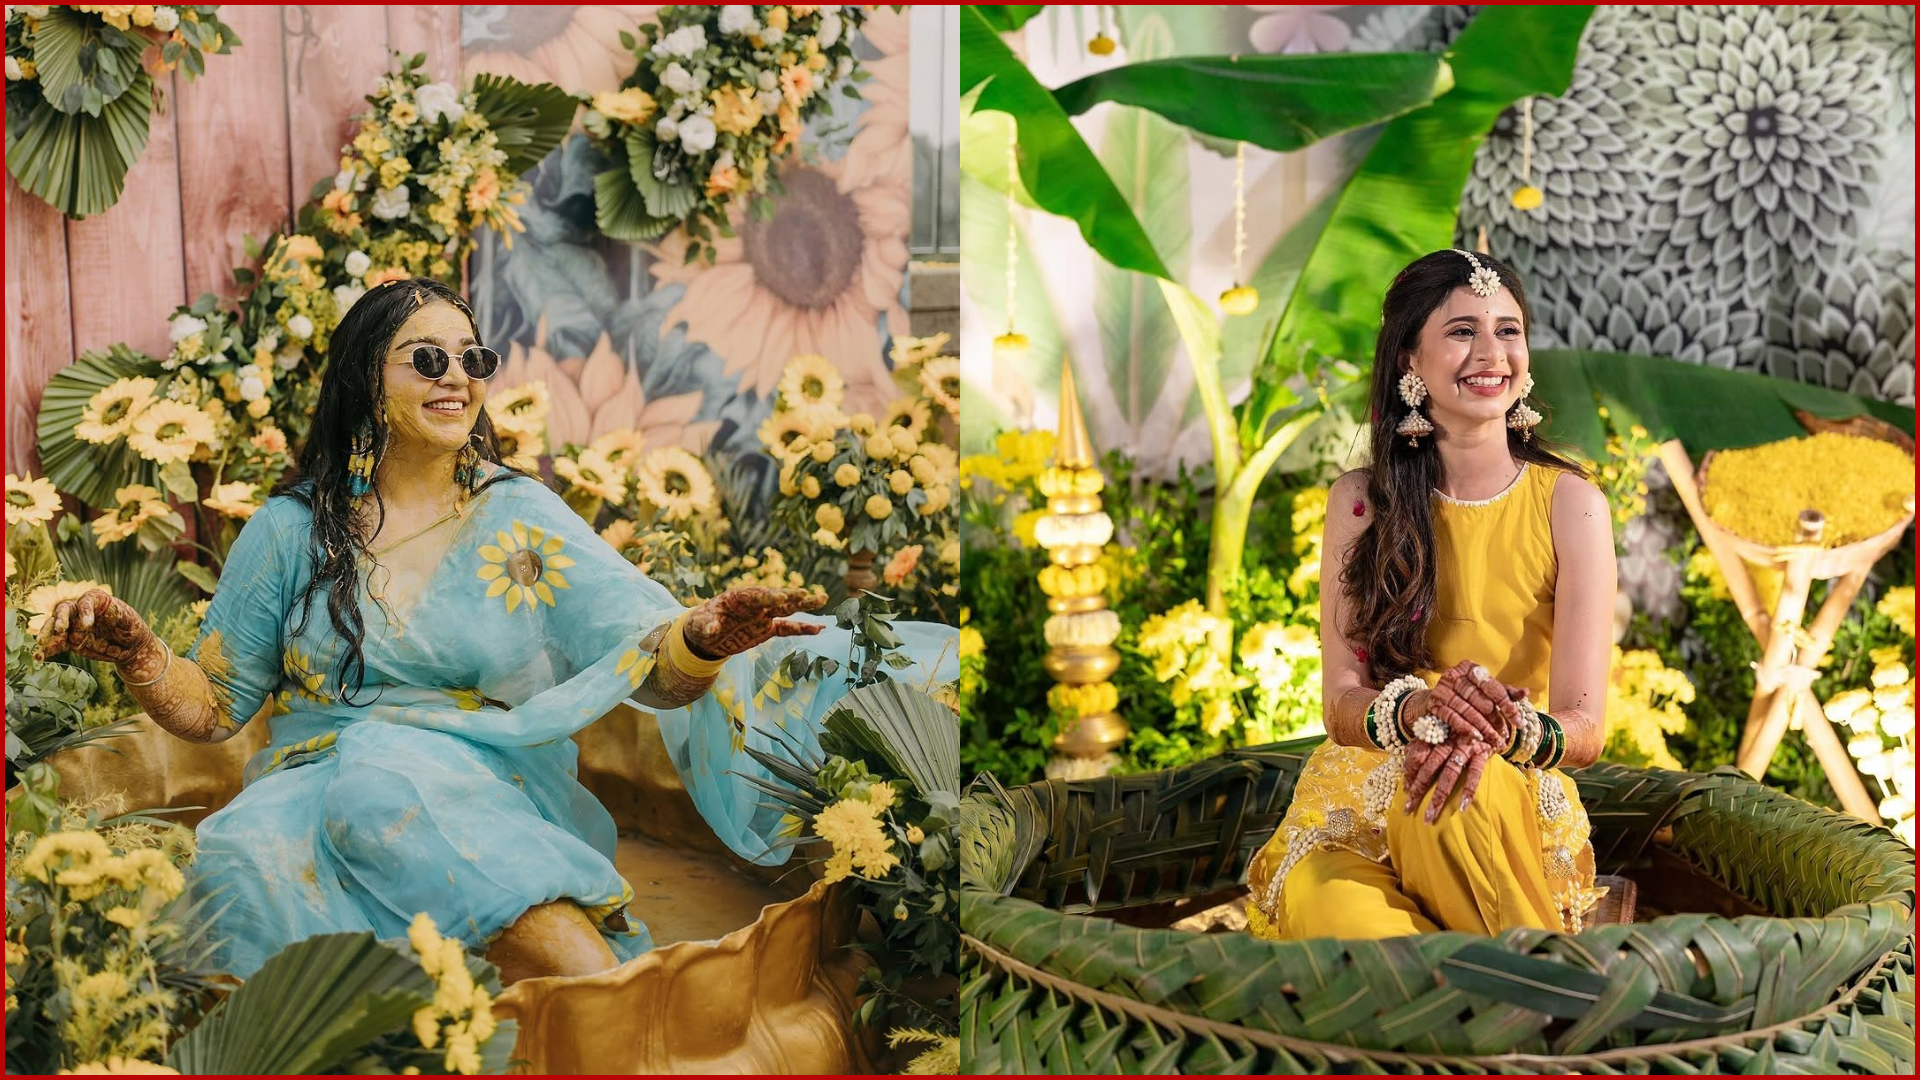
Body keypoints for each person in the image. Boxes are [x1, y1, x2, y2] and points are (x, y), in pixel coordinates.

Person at [34, 278, 958, 981]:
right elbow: (214, 707)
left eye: (473, 359)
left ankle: (617, 1011)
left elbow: (650, 669)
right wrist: (142, 654)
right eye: (427, 359)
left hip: (476, 773)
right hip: (308, 780)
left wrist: (706, 638)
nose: (458, 379)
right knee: (236, 859)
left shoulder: (520, 517)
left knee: (391, 781)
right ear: (367, 377)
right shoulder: (291, 528)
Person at [1245, 249, 1616, 940]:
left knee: (1446, 800)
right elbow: (1340, 699)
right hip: (1360, 802)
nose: (1491, 352)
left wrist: (1497, 730)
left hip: (1502, 790)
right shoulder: (1361, 503)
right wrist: (1417, 712)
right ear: (1410, 361)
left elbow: (1585, 726)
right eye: (1461, 330)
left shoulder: (1572, 503)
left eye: (1508, 330)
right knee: (1334, 911)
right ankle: (1506, 1006)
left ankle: (1506, 1009)